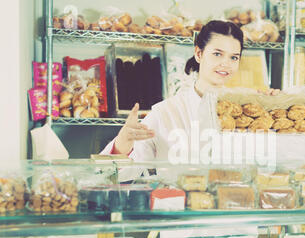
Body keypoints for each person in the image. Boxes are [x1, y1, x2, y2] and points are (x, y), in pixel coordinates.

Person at [101, 20, 280, 160]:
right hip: (179, 203)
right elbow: (122, 171)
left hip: (232, 203)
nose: (226, 63)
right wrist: (122, 143)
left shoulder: (245, 111)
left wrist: (276, 110)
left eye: (234, 57)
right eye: (217, 54)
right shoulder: (166, 112)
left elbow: (268, 157)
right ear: (199, 54)